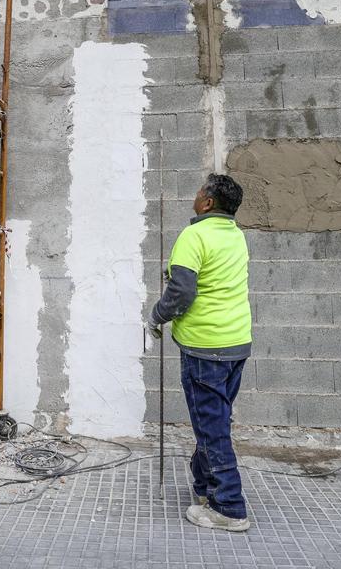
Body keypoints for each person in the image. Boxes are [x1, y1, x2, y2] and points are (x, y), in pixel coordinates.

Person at [145, 173, 252, 532]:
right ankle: (205, 488)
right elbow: (208, 279)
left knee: (212, 429)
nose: (195, 196)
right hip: (236, 343)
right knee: (216, 420)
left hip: (206, 348)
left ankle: (230, 508)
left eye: (198, 192)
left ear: (207, 203)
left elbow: (181, 294)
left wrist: (157, 316)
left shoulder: (194, 235)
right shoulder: (236, 236)